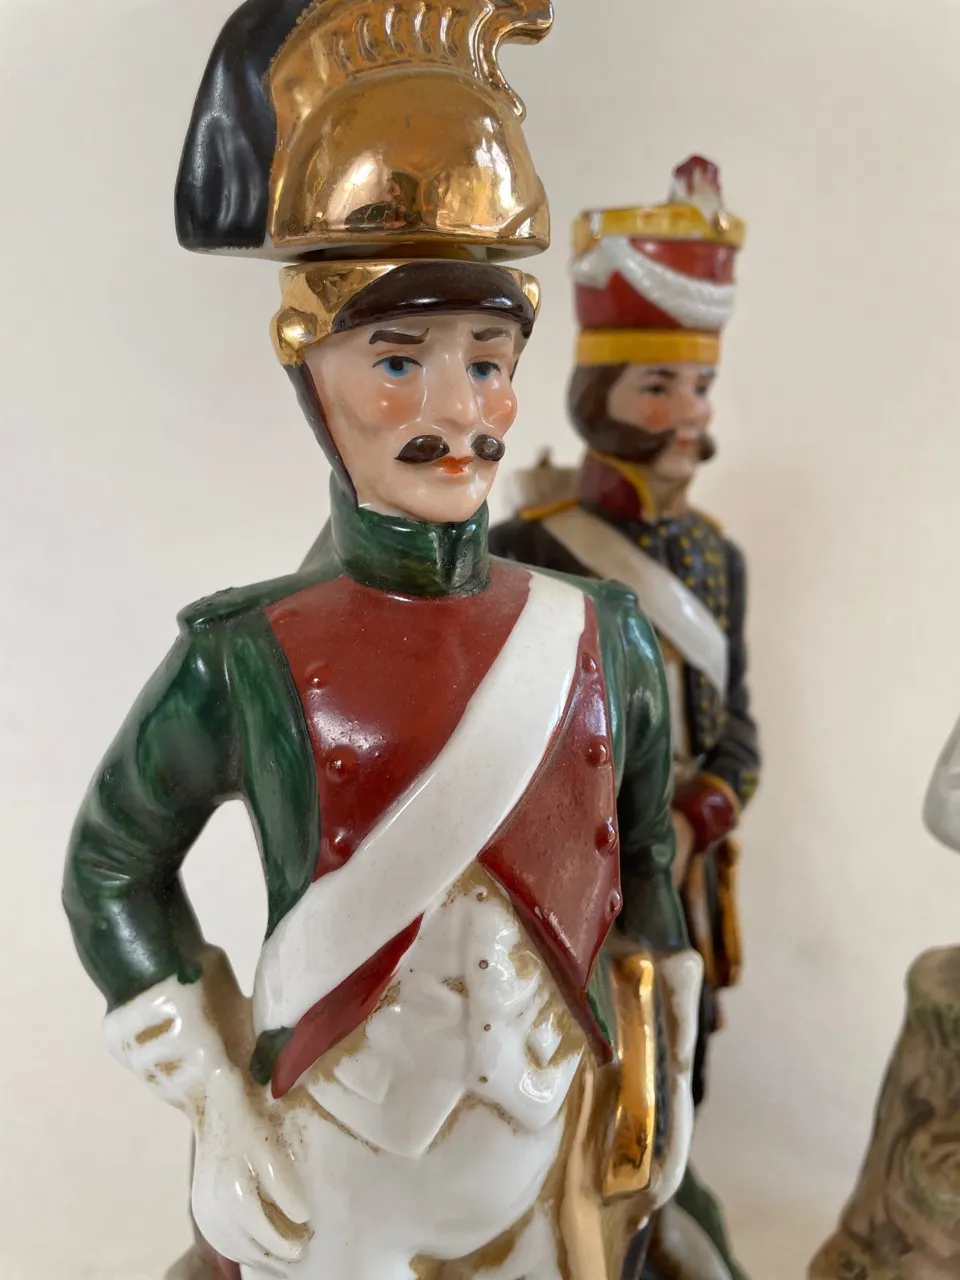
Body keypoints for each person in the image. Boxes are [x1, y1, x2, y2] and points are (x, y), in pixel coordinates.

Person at [62, 4, 701, 1278]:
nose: (457, 411)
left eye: (487, 360)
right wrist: (219, 1096)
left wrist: (658, 1055)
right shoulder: (244, 653)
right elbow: (112, 868)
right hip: (333, 1173)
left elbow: (643, 864)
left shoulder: (605, 638)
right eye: (399, 361)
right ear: (311, 369)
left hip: (547, 1156)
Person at [490, 157, 760, 1280]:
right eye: (661, 387)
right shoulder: (529, 547)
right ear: (600, 396)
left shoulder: (717, 559)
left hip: (682, 881)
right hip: (569, 881)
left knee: (678, 1080)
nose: (692, 416)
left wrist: (696, 818)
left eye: (700, 388)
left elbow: (737, 735)